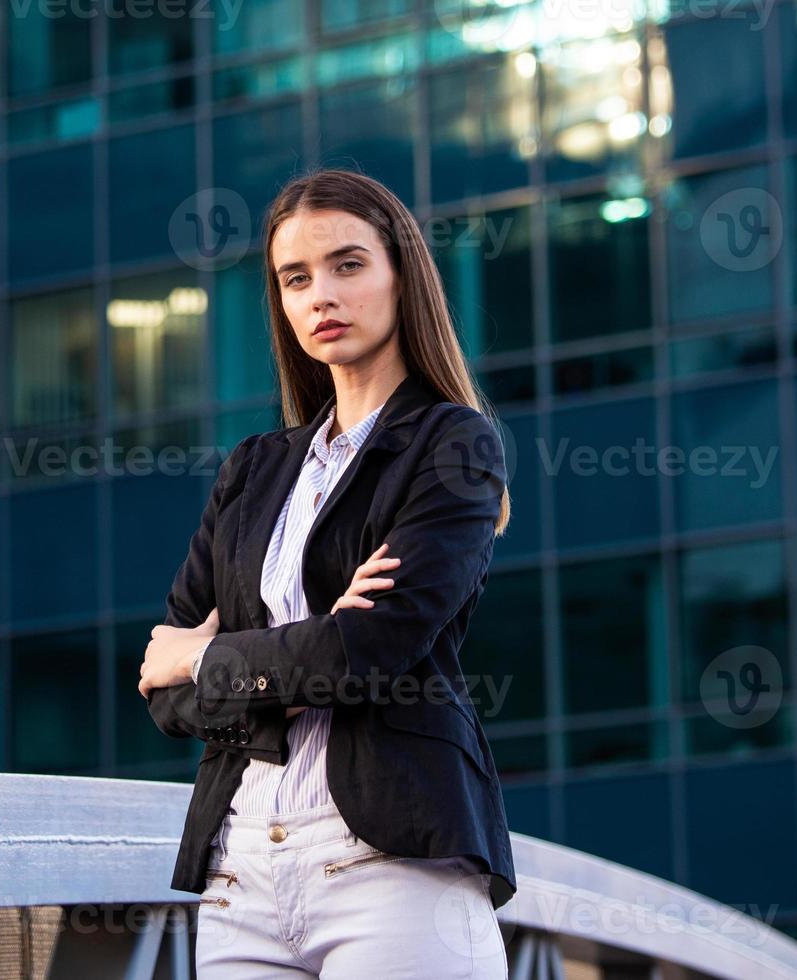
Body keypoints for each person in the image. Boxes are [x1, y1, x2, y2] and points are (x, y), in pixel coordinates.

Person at [138, 167, 516, 978]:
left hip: (392, 862)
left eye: (348, 265)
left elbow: (373, 647)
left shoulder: (451, 446)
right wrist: (308, 652)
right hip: (240, 869)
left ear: (400, 275)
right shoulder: (254, 470)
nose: (321, 296)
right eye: (295, 279)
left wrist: (214, 658)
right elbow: (161, 693)